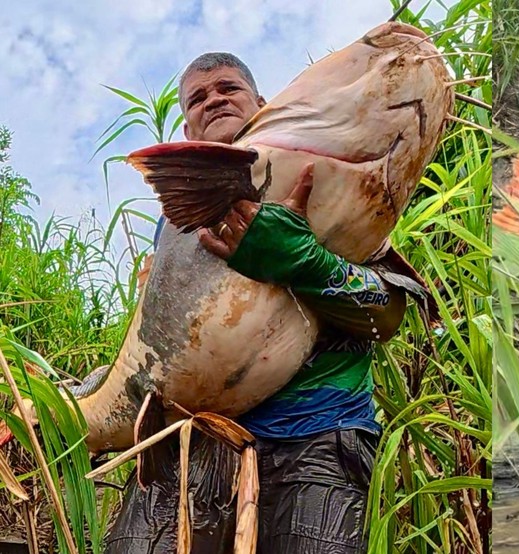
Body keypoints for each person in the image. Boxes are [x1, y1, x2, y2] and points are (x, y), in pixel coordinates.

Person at [106, 52, 410, 554]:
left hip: (317, 434)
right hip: (196, 437)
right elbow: (149, 346)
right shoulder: (171, 226)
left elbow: (388, 314)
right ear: (187, 131)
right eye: (198, 99)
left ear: (262, 103)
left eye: (228, 88)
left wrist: (303, 262)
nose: (214, 100)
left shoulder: (327, 167)